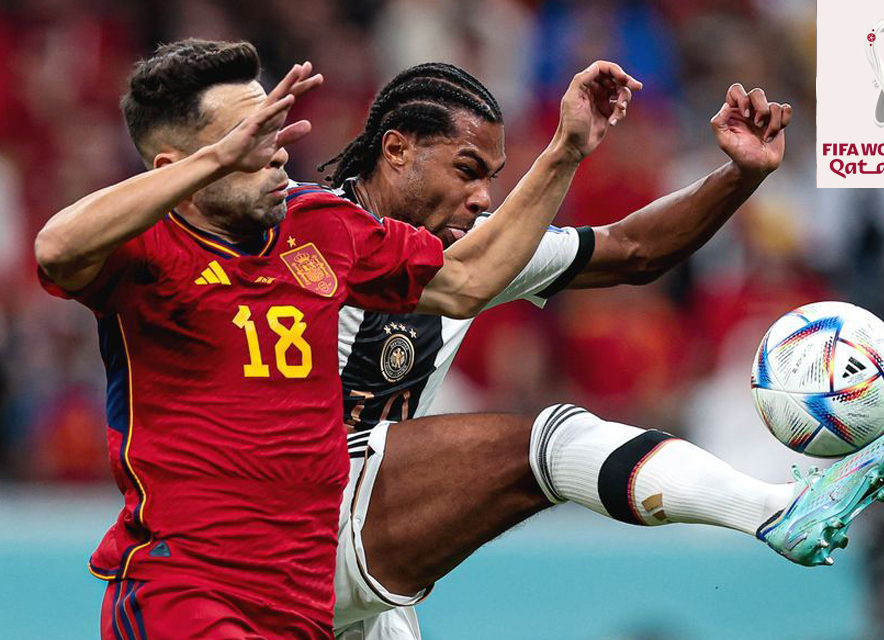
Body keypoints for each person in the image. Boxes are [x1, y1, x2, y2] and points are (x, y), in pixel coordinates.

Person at [33, 40, 639, 639]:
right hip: (187, 593)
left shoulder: (320, 225)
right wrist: (218, 160)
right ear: (180, 167)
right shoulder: (143, 249)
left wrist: (565, 150)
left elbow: (468, 280)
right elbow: (56, 247)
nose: (275, 152)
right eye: (249, 139)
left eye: (273, 131)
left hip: (302, 606)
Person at [315, 64, 884, 639]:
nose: (480, 198)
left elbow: (633, 250)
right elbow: (462, 285)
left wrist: (740, 174)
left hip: (353, 546)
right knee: (550, 445)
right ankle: (775, 509)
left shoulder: (477, 248)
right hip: (297, 510)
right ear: (397, 150)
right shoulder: (307, 234)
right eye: (466, 170)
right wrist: (565, 149)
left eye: (490, 178)